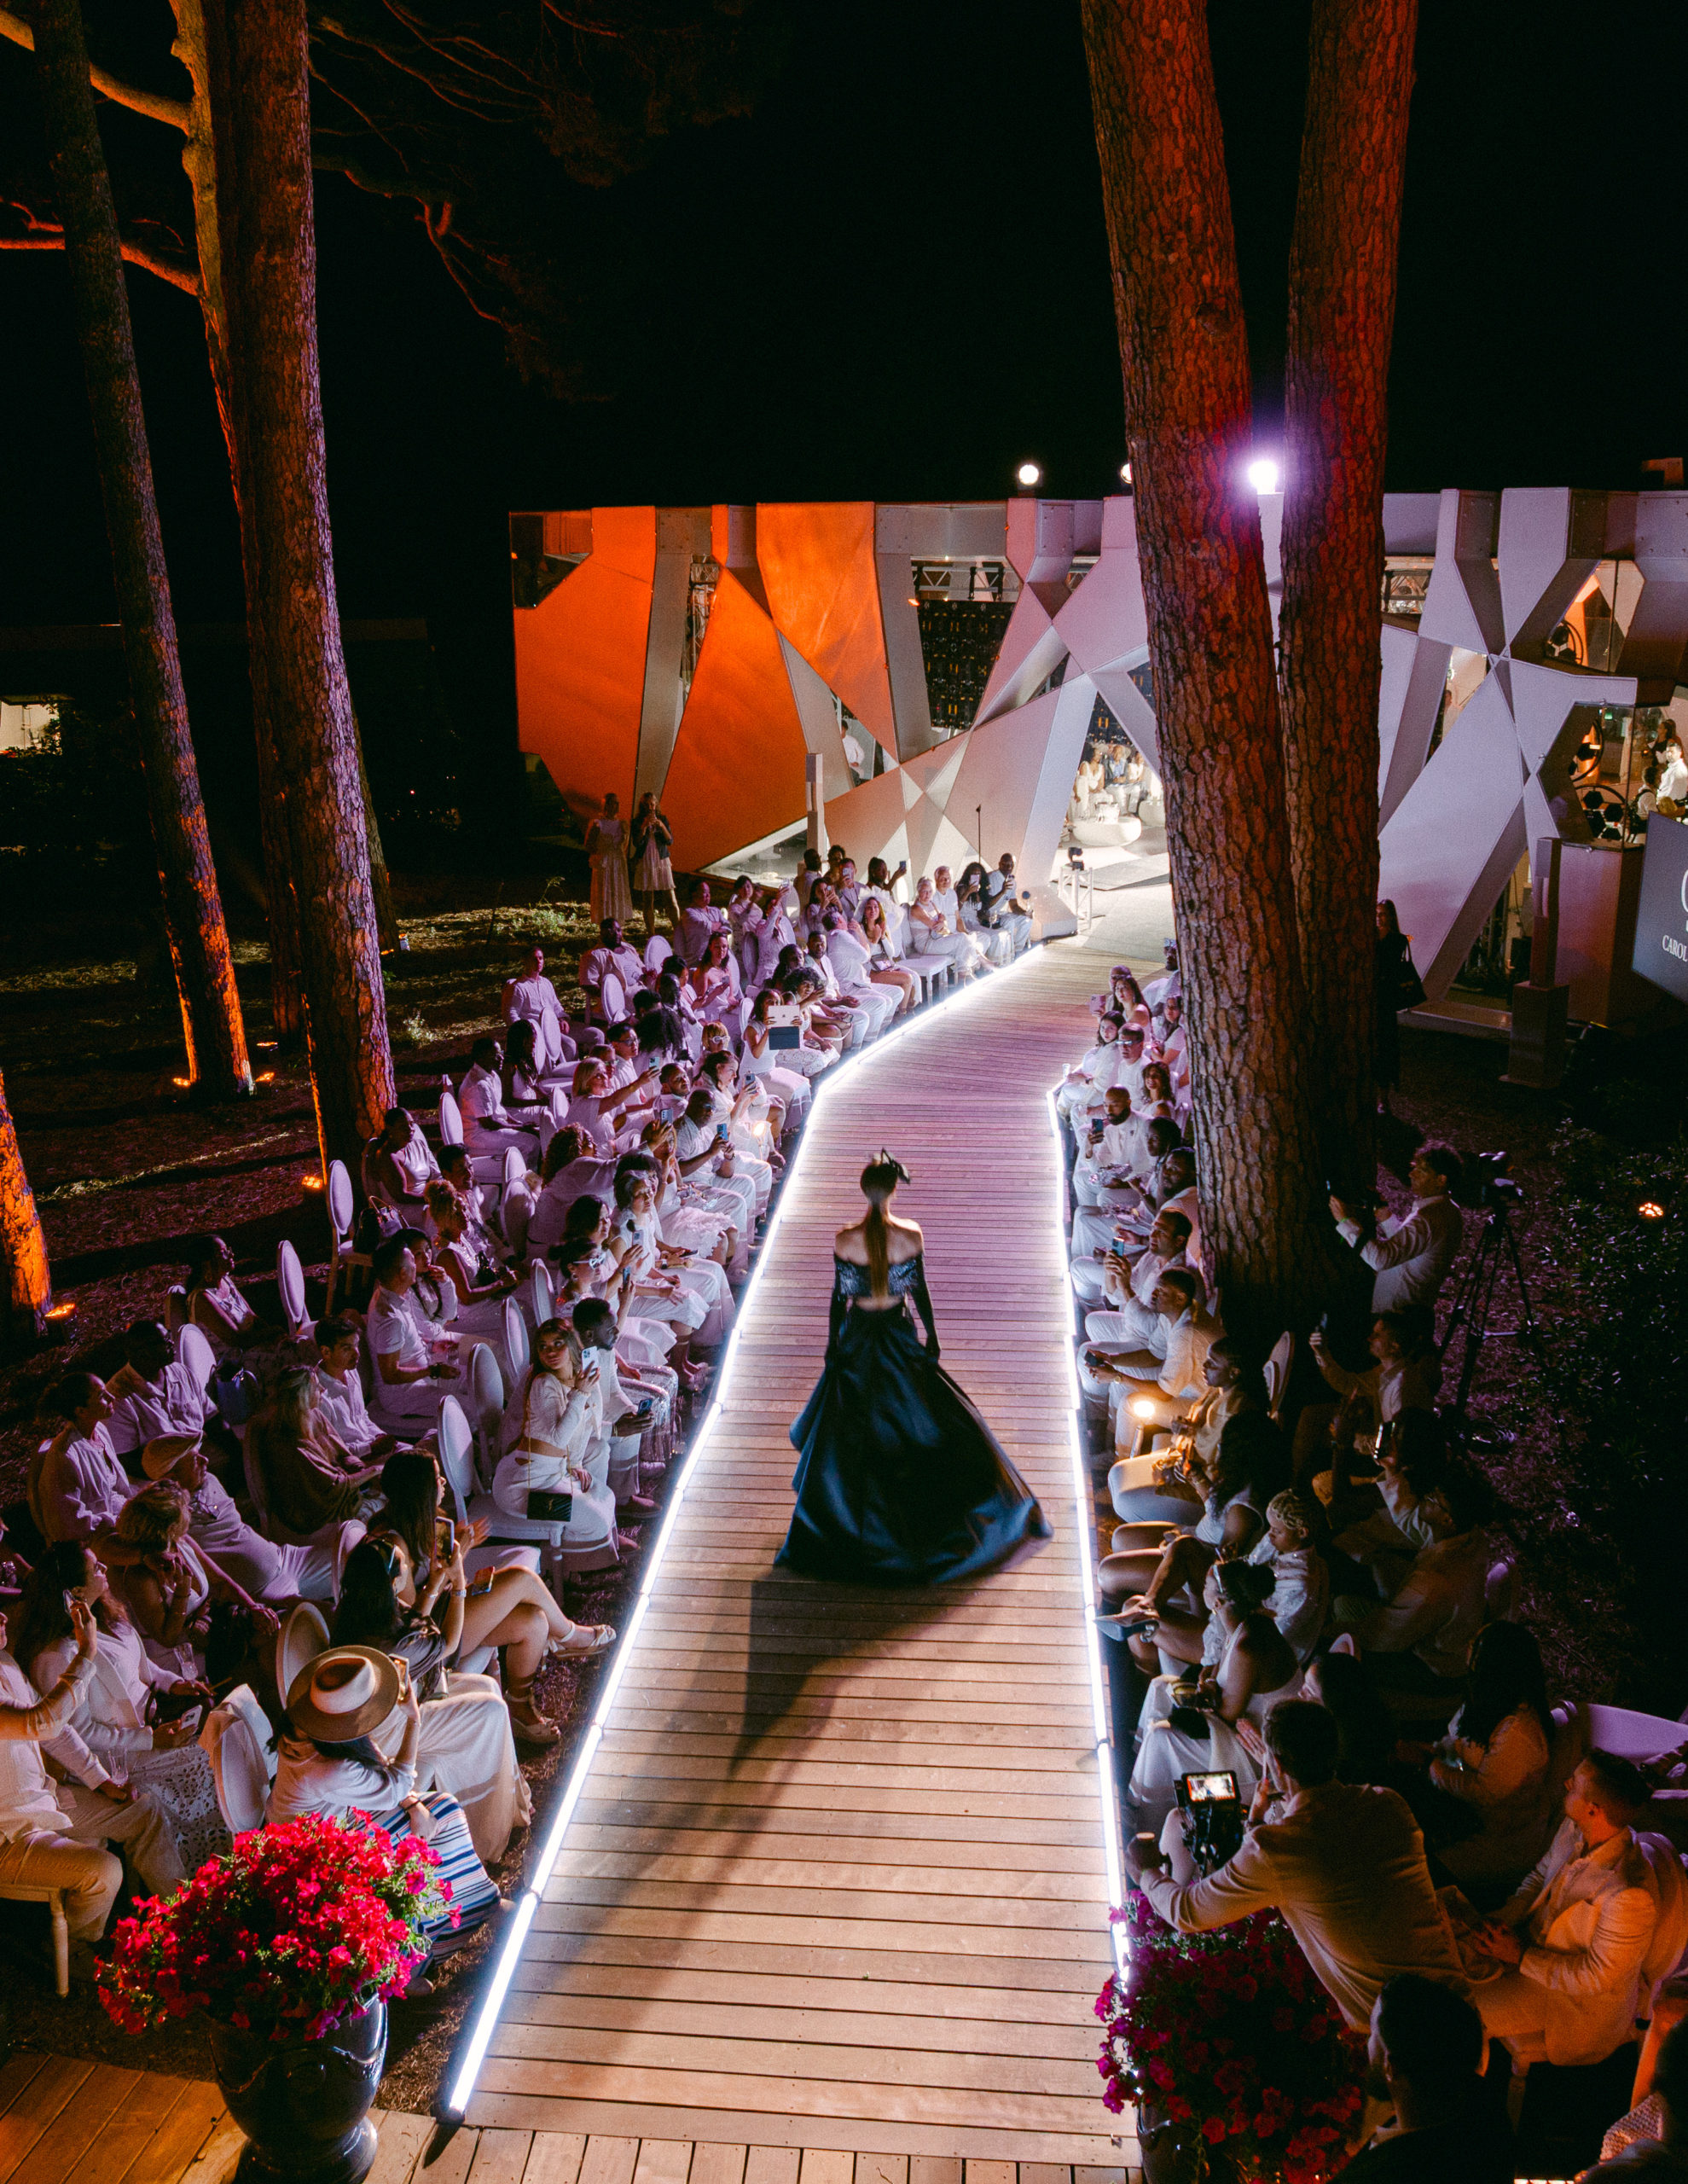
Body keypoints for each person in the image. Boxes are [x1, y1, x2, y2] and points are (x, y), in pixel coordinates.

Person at [779, 1153, 1051, 1583]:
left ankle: (847, 1520)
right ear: (893, 1190)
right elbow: (919, 1291)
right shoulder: (910, 1235)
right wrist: (932, 1336)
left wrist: (832, 1345)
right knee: (918, 1417)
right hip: (896, 1333)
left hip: (858, 1335)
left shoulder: (845, 1239)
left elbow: (838, 1299)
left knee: (851, 1426)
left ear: (863, 1190)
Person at [1128, 1699, 1470, 2031]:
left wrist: (1147, 1871)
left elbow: (1188, 1912)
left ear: (1276, 1765)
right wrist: (1256, 1823)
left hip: (1395, 2032)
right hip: (1458, 2009)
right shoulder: (1389, 1803)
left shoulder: (1278, 1849)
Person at [269, 1647, 502, 1991]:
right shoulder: (328, 1768)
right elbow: (396, 1782)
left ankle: (475, 1902)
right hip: (317, 1854)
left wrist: (414, 1806)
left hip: (331, 1823)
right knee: (435, 1827)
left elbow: (376, 1762)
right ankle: (415, 1958)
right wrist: (413, 1719)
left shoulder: (308, 1728)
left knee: (441, 1813)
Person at [17, 1542, 227, 1873]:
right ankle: (206, 1869)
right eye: (96, 1569)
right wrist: (150, 1739)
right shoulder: (57, 1656)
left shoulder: (108, 1616)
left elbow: (141, 1669)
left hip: (152, 1724)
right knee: (207, 1761)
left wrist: (173, 1683)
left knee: (224, 1730)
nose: (105, 1570)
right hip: (115, 1756)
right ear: (76, 1592)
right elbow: (80, 1733)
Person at [0, 1595, 184, 1967]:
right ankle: (74, 1949)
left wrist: (101, 1781)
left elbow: (55, 1732)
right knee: (104, 1870)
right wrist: (86, 1654)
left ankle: (187, 1915)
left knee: (143, 1810)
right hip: (9, 1833)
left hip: (41, 1803)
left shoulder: (4, 1662)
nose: (3, 1617)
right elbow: (41, 1722)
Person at [329, 1536, 530, 1858]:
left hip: (382, 1708)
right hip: (385, 1730)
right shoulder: (388, 1641)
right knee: (491, 1710)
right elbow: (449, 1644)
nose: (410, 1566)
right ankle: (485, 1835)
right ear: (393, 1583)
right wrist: (459, 1584)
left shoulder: (356, 1609)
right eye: (405, 1565)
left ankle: (511, 1801)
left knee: (487, 1687)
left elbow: (411, 1627)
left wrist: (436, 1582)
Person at [1459, 1750, 1661, 2070]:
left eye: (1574, 1784)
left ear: (1593, 1809)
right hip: (1525, 1945)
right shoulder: (1574, 1826)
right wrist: (1503, 1919)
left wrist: (1519, 1956)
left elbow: (1595, 1978)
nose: (1566, 1783)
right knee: (1442, 1965)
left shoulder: (1629, 1894)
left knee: (1458, 2012)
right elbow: (1540, 1875)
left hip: (1570, 2000)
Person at [1128, 1557, 1298, 1824]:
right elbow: (1223, 1669)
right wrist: (1208, 1680)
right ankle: (1141, 1767)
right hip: (1242, 1723)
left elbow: (1227, 1716)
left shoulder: (1249, 1647)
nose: (1201, 1590)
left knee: (1162, 1736)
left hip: (1254, 1749)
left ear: (1217, 1603)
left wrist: (1201, 1696)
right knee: (1160, 1685)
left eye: (1206, 1587)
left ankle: (1148, 1818)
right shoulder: (1245, 1623)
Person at [1340, 1975, 1513, 2184]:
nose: (1367, 2043)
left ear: (1392, 2067)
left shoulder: (1402, 2172)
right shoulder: (1483, 2126)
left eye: (1373, 2035)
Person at [140, 1430, 348, 1603]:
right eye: (194, 1460)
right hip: (259, 1590)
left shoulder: (209, 1480)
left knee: (354, 1560)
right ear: (173, 1478)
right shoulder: (170, 1519)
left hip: (283, 1558)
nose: (205, 1460)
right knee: (329, 1616)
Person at [1430, 1621, 1560, 1896]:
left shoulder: (1518, 1732)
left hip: (1499, 1835)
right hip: (1463, 1810)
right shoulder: (1488, 1698)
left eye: (1476, 1645)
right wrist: (1431, 1751)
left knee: (1424, 1867)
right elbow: (1457, 1741)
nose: (1467, 1648)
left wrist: (1432, 1768)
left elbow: (1487, 1793)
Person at [495, 1317, 625, 1567]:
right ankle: (574, 1568)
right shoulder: (543, 1383)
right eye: (543, 1346)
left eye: (558, 1343)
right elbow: (558, 1437)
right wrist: (581, 1393)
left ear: (571, 1345)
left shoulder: (577, 1379)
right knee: (594, 1518)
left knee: (606, 1496)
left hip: (551, 1475)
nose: (550, 1352)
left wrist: (575, 1463)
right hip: (523, 1487)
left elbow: (585, 1427)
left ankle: (589, 1553)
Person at [1332, 1146, 1465, 1330]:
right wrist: (1385, 1215)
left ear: (1441, 1180)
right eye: (1414, 1167)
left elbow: (1380, 1259)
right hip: (1411, 1314)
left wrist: (1346, 1221)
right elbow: (1410, 1249)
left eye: (1421, 1171)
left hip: (1395, 1320)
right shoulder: (1449, 1210)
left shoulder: (1427, 1219)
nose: (1411, 1174)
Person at [250, 1367, 385, 1540]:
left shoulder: (315, 1415)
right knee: (385, 1513)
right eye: (316, 1387)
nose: (323, 1389)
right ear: (302, 1397)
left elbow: (342, 1453)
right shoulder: (288, 1444)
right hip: (312, 1514)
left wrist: (361, 1469)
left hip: (339, 1490)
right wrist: (373, 1471)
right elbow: (333, 1487)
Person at [364, 1236, 465, 1426]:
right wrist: (434, 1370)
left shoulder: (395, 1292)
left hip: (427, 1367)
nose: (417, 1264)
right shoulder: (390, 1320)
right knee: (471, 1411)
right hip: (404, 1393)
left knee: (475, 1377)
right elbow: (390, 1375)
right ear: (403, 1273)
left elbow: (408, 1341)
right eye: (412, 1260)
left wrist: (432, 1345)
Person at [28, 1373, 132, 1545]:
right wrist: (119, 1522)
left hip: (117, 1523)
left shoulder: (100, 1431)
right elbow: (71, 1522)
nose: (111, 1397)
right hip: (89, 1542)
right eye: (101, 1395)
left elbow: (111, 1491)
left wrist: (134, 1509)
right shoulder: (65, 1456)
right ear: (81, 1411)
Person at [105, 1320, 209, 1461]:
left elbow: (212, 1417)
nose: (171, 1343)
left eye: (169, 1337)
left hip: (201, 1454)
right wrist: (185, 1469)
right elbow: (128, 1460)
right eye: (164, 1342)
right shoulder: (118, 1399)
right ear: (142, 1353)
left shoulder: (181, 1372)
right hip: (165, 1470)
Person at [310, 1316, 400, 1464]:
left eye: (356, 1345)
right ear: (326, 1352)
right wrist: (370, 1448)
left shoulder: (350, 1371)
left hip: (371, 1446)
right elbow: (330, 1450)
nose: (357, 1353)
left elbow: (362, 1417)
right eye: (347, 1348)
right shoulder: (318, 1394)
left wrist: (380, 1436)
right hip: (355, 1462)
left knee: (430, 1443)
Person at [458, 1035, 540, 1163]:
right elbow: (489, 1124)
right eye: (496, 1055)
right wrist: (520, 1128)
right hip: (479, 1135)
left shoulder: (492, 1074)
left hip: (493, 1127)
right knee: (532, 1143)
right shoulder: (478, 1085)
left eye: (501, 1053)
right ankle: (525, 1174)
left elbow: (499, 1108)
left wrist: (519, 1123)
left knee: (535, 1134)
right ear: (481, 1057)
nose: (502, 1058)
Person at [502, 944, 575, 1073]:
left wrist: (562, 1019)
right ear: (525, 961)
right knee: (547, 1059)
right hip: (533, 1035)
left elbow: (556, 1006)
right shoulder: (518, 987)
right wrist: (526, 1033)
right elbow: (511, 1014)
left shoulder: (546, 983)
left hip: (551, 1031)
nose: (538, 962)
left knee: (570, 1045)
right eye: (534, 959)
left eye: (540, 958)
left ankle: (564, 1075)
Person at [1374, 901, 1418, 1117]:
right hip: (1374, 997)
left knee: (1385, 1048)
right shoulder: (1372, 937)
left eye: (1383, 914)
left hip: (1385, 1000)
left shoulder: (1398, 940)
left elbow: (1389, 964)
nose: (1379, 918)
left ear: (1391, 916)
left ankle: (1383, 1098)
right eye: (1377, 914)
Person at [630, 791, 680, 938]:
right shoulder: (637, 821)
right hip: (646, 860)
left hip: (661, 860)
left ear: (656, 805)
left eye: (652, 804)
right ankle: (651, 934)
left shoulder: (662, 819)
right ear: (642, 806)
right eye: (647, 805)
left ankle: (678, 931)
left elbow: (670, 841)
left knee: (670, 896)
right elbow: (636, 843)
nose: (650, 808)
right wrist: (644, 826)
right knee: (648, 900)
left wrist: (661, 826)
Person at [579, 917, 646, 1024]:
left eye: (618, 930)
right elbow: (587, 984)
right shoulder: (595, 955)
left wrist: (649, 974)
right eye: (611, 932)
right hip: (623, 998)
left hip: (644, 987)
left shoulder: (628, 948)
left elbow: (642, 968)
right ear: (602, 934)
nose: (616, 934)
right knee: (650, 1004)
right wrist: (611, 995)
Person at [584, 793, 634, 926]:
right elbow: (589, 845)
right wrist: (602, 854)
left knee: (617, 892)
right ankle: (605, 925)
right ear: (606, 805)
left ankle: (617, 925)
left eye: (617, 803)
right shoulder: (598, 824)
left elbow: (625, 846)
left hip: (618, 863)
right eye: (613, 803)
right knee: (604, 893)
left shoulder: (622, 825)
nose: (616, 806)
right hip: (604, 863)